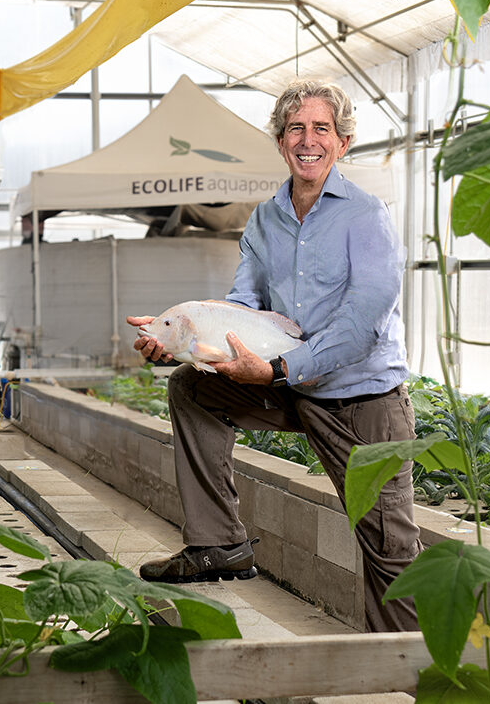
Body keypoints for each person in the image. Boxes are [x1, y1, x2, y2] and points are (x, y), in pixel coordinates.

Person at [126, 77, 420, 633]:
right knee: (193, 388)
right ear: (282, 142)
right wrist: (183, 340)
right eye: (295, 129)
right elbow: (242, 306)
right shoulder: (266, 218)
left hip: (361, 403)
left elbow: (361, 325)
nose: (308, 139)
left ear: (343, 141)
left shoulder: (367, 217)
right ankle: (219, 545)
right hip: (289, 388)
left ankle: (411, 672)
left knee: (390, 550)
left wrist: (279, 369)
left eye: (321, 129)